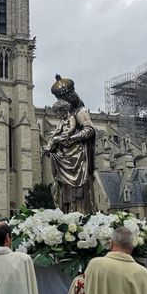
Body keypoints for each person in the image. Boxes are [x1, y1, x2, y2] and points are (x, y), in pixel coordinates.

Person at [62, 227, 147, 294]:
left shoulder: (95, 265)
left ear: (111, 244)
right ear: (132, 248)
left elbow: (83, 289)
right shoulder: (142, 273)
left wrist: (77, 280)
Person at [47, 75, 97, 213]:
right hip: (66, 160)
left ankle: (80, 216)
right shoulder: (65, 117)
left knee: (78, 192)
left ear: (70, 96)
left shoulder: (80, 112)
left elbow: (90, 130)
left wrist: (72, 138)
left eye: (62, 98)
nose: (61, 102)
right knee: (64, 191)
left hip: (79, 161)